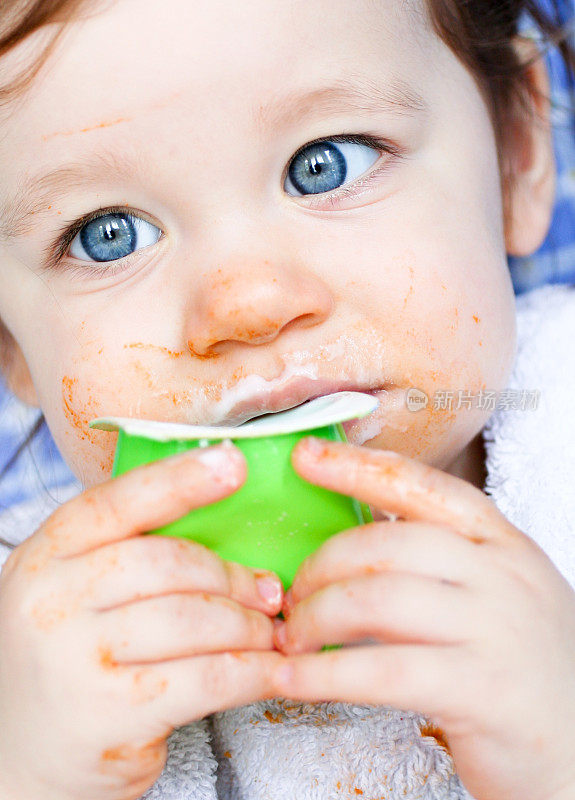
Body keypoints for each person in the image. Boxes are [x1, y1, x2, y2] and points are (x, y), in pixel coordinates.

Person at [0, 1, 573, 798]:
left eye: (325, 162)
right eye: (109, 234)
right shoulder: (34, 654)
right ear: (11, 347)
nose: (247, 303)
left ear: (516, 153)